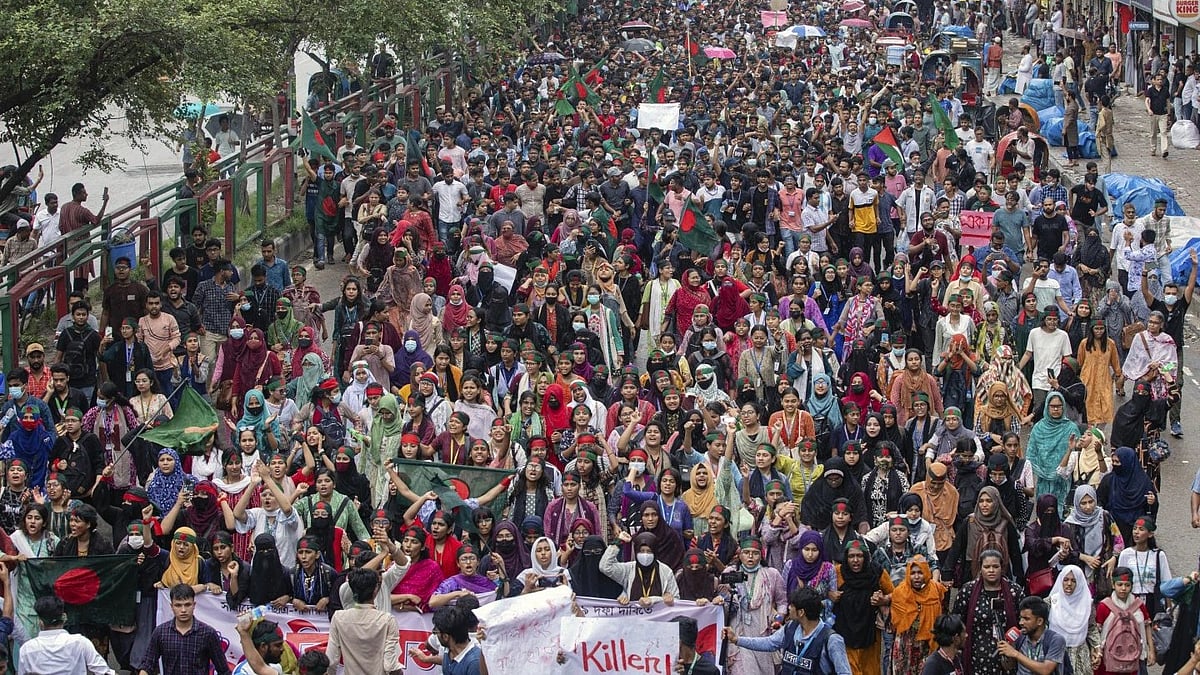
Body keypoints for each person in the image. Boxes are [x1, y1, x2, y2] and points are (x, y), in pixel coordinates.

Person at [722, 586, 853, 675]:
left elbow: (844, 673)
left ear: (801, 612)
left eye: (792, 606)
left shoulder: (831, 640)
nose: (789, 608)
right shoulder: (791, 627)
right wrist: (737, 640)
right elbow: (769, 643)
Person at [137, 583, 231, 675]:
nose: (183, 610)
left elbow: (223, 670)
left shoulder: (208, 633)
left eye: (187, 605)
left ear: (194, 605)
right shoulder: (161, 632)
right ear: (172, 606)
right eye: (178, 605)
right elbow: (148, 664)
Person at [326, 567, 403, 675]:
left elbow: (331, 659)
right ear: (376, 589)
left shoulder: (339, 617)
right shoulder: (387, 620)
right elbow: (390, 664)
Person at [18, 594, 113, 674]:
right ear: (64, 618)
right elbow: (103, 671)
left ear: (40, 622)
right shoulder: (80, 642)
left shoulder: (27, 649)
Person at [996, 596, 1068, 675]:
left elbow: (1045, 670)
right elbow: (1009, 667)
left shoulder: (1055, 640)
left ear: (1039, 621)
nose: (1021, 623)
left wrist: (1015, 653)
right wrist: (1006, 653)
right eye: (1020, 618)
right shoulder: (1018, 637)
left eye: (1026, 619)